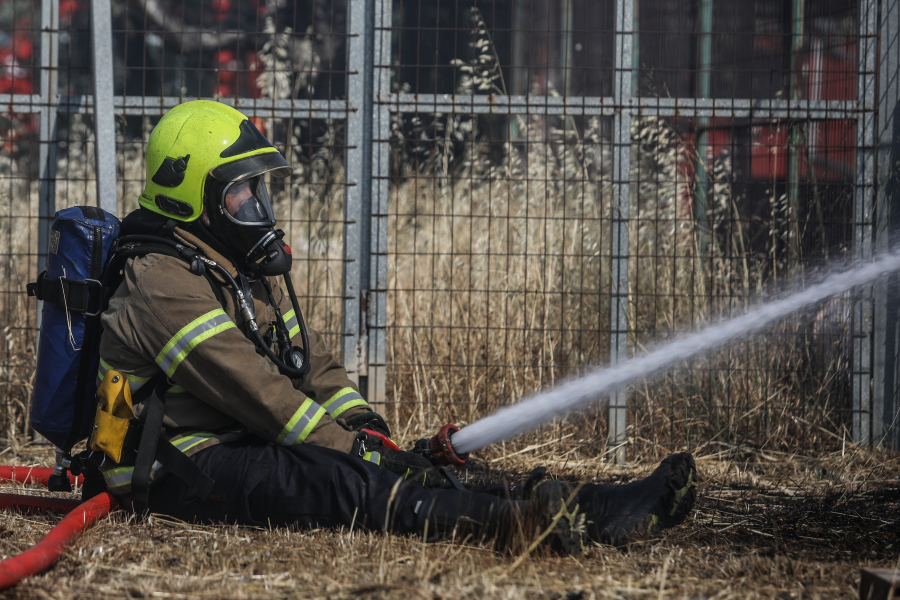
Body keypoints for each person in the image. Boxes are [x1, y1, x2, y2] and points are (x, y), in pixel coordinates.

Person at [94, 100, 697, 554]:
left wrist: (364, 425)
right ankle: (525, 528)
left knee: (380, 468)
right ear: (190, 195)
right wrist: (358, 454)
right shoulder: (162, 283)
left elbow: (309, 364)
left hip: (235, 442)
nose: (260, 209)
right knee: (339, 483)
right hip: (178, 466)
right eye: (242, 194)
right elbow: (263, 396)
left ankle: (588, 505)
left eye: (260, 191)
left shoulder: (225, 261)